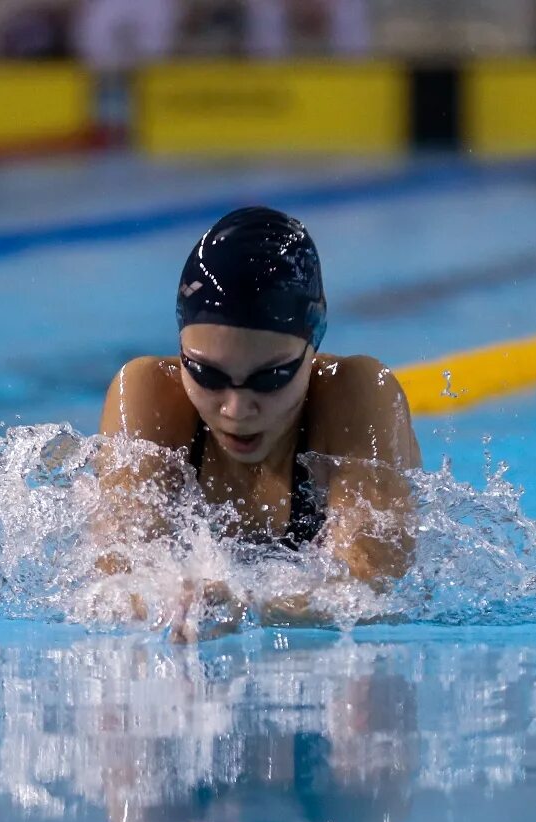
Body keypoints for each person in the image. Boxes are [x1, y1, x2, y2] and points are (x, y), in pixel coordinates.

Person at [97, 206, 421, 638]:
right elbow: (115, 577)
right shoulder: (148, 396)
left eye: (269, 377)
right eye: (207, 374)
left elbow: (372, 588)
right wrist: (167, 599)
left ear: (314, 344)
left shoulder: (356, 395)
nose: (235, 409)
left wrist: (251, 606)